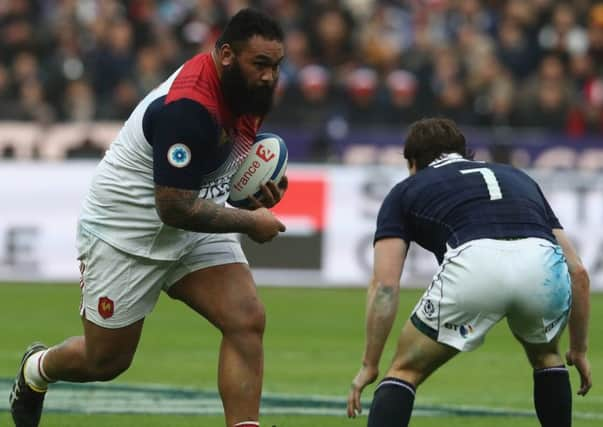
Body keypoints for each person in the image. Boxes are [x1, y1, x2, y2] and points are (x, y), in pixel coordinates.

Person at [10, 9, 287, 427]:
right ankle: (37, 368)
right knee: (105, 361)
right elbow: (173, 206)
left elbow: (215, 174)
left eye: (275, 65)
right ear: (227, 55)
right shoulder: (189, 108)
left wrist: (251, 197)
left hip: (190, 220)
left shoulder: (248, 92)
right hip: (126, 233)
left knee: (246, 318)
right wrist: (251, 222)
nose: (269, 76)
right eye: (260, 64)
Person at [347, 118, 592, 427]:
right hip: (541, 265)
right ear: (465, 153)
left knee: (405, 371)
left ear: (412, 162)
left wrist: (370, 364)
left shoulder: (405, 190)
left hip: (475, 263)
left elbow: (384, 286)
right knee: (546, 356)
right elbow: (579, 272)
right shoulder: (519, 177)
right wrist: (579, 349)